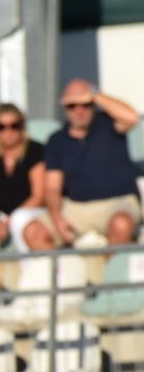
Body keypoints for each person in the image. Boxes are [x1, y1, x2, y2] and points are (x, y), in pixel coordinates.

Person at [27, 80, 141, 251]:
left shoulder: (109, 124)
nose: (79, 110)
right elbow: (52, 187)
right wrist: (57, 218)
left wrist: (95, 94)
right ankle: (62, 276)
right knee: (33, 231)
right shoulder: (56, 140)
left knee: (121, 224)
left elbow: (132, 117)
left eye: (85, 105)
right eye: (72, 105)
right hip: (77, 208)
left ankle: (109, 275)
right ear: (64, 107)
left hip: (119, 202)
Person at [0, 103, 51, 252]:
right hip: (0, 216)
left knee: (19, 219)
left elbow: (39, 196)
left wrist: (9, 221)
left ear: (22, 127)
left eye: (14, 126)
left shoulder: (35, 150)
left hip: (32, 212)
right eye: (1, 127)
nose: (8, 131)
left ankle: (28, 270)